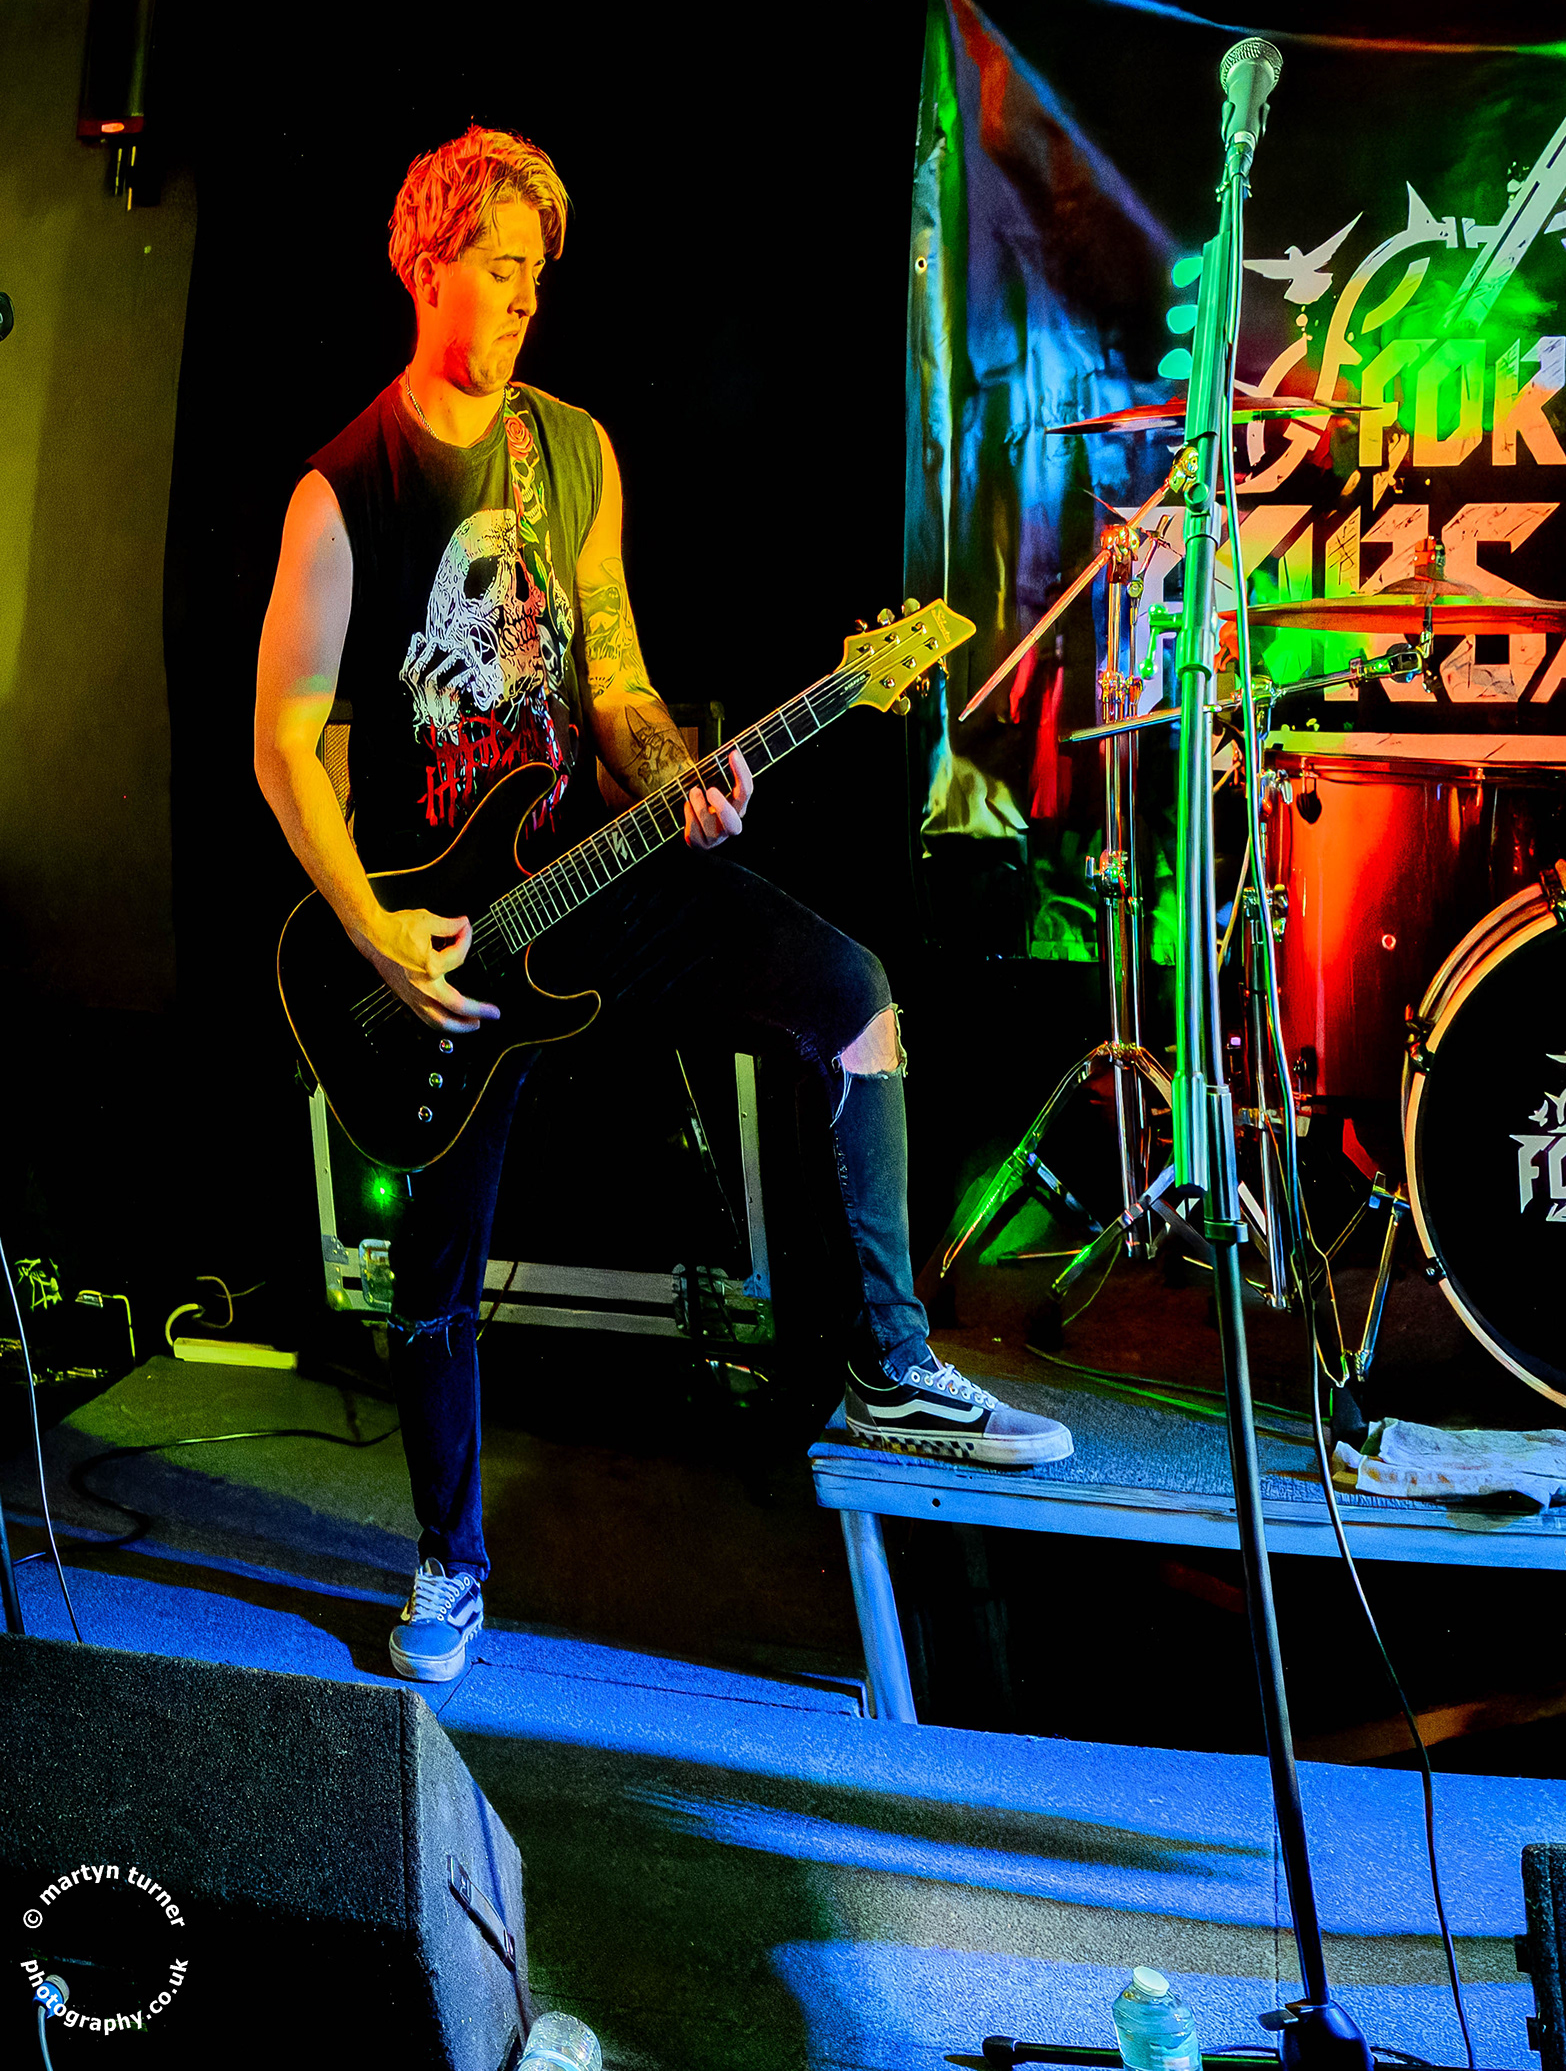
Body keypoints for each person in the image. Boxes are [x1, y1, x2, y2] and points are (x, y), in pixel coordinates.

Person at [251, 126, 1069, 1688]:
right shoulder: (342, 491)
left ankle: (893, 1361)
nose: (522, 299)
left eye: (536, 277)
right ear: (423, 264)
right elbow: (283, 738)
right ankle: (449, 1558)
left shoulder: (574, 449)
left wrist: (679, 772)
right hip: (442, 936)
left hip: (595, 870)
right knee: (435, 1273)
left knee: (857, 996)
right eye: (498, 268)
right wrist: (367, 924)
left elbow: (615, 672)